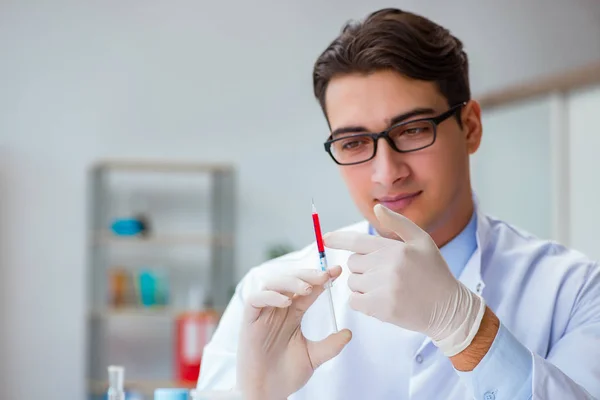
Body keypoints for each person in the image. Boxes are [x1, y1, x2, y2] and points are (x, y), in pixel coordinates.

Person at [196, 8, 600, 399]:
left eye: (412, 130)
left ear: (471, 128)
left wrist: (468, 331)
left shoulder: (575, 291)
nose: (386, 172)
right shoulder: (267, 298)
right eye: (354, 143)